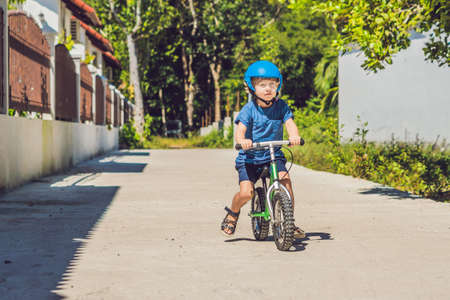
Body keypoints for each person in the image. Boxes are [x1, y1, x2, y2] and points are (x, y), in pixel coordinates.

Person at [220, 60, 306, 238]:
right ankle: (233, 212)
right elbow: (240, 131)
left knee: (285, 180)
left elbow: (290, 124)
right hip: (249, 159)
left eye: (272, 84)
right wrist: (242, 140)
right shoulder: (249, 109)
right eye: (262, 85)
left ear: (278, 85)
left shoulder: (281, 106)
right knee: (246, 193)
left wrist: (294, 136)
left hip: (273, 155)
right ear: (252, 88)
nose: (268, 88)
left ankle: (289, 221)